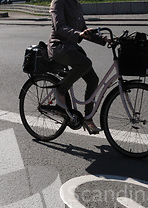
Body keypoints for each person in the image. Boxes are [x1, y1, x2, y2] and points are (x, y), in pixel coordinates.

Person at [47, 0, 101, 134]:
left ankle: (88, 118)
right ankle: (60, 90)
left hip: (72, 48)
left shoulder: (76, 4)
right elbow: (59, 27)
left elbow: (84, 30)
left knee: (93, 79)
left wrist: (107, 40)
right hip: (59, 47)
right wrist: (78, 34)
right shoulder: (58, 2)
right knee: (85, 64)